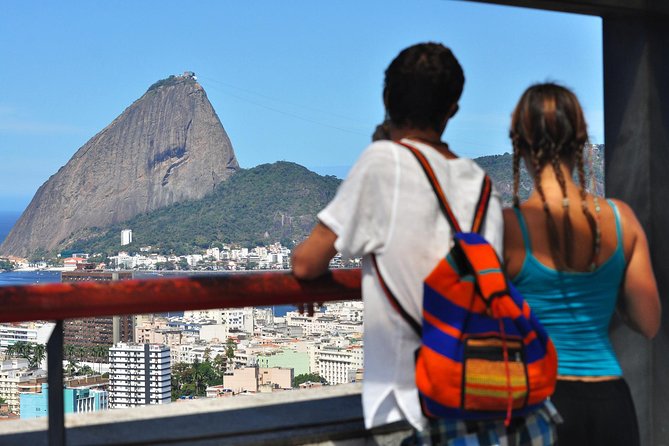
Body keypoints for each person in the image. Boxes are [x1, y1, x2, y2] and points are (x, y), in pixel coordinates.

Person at [292, 42, 557, 445]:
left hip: (407, 407)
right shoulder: (480, 184)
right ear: (452, 110)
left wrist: (313, 282)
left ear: (386, 98)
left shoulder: (382, 163)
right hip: (479, 391)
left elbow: (307, 263)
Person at [503, 82, 661, 446]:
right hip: (612, 402)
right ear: (579, 141)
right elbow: (648, 322)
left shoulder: (508, 228)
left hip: (540, 402)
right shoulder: (622, 220)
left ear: (521, 144)